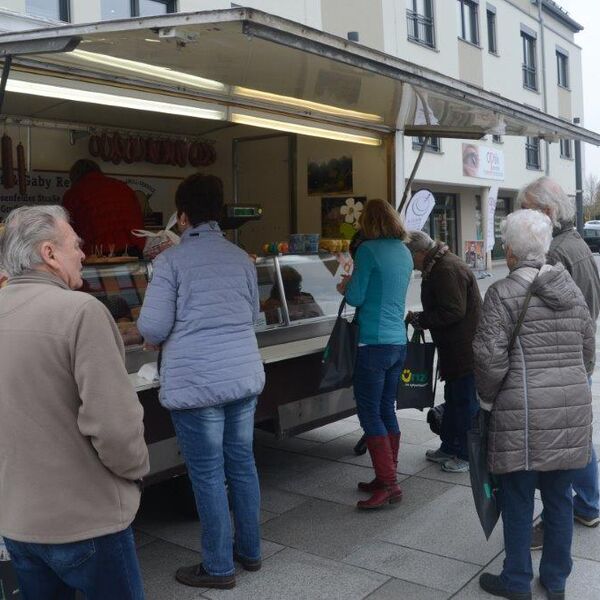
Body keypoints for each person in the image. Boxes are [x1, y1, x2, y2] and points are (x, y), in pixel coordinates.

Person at [0, 205, 149, 600]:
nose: (83, 254)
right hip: (87, 522)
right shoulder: (81, 311)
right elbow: (115, 426)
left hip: (16, 521)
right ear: (49, 253)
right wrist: (135, 472)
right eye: (76, 245)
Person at [137, 174, 265, 590]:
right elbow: (252, 316)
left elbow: (153, 328)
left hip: (197, 384)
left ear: (184, 215)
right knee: (242, 465)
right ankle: (250, 552)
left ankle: (218, 566)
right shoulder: (240, 257)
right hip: (242, 377)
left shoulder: (170, 262)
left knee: (209, 475)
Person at [473, 209, 594, 600]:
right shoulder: (570, 290)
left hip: (521, 415)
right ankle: (556, 580)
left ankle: (516, 581)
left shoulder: (501, 293)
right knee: (560, 499)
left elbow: (489, 361)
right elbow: (588, 353)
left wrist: (487, 403)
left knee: (518, 500)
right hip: (569, 411)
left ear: (510, 252)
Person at [519, 176, 600, 548]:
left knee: (562, 444)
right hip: (576, 358)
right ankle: (589, 503)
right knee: (578, 436)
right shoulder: (578, 244)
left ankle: (561, 513)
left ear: (547, 212)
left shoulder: (554, 254)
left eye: (527, 210)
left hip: (559, 363)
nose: (523, 218)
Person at [336, 198, 413, 509]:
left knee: (370, 413)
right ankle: (387, 476)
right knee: (386, 409)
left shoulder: (368, 250)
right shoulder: (404, 251)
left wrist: (345, 285)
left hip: (372, 343)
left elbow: (356, 297)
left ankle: (389, 483)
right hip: (398, 342)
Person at [406, 231, 481, 473]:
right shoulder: (438, 265)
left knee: (464, 401)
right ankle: (449, 446)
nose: (410, 263)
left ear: (419, 253)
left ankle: (466, 455)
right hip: (455, 348)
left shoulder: (445, 269)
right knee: (453, 398)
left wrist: (423, 319)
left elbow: (453, 311)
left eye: (410, 256)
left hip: (465, 349)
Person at [63, 159, 145, 256]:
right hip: (133, 248)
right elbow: (139, 216)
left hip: (98, 252)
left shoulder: (74, 194)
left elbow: (66, 230)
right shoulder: (123, 187)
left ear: (75, 177)